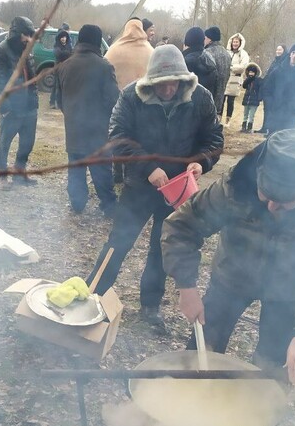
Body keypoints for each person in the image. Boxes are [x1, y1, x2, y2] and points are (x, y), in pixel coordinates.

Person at [161, 130, 295, 385]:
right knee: (202, 348)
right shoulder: (239, 184)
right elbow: (183, 225)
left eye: (284, 201)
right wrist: (186, 285)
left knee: (273, 368)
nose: (272, 207)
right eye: (266, 195)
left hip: (289, 287)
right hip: (233, 274)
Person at [86, 44, 224, 332]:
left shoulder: (201, 98)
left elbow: (213, 139)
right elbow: (118, 137)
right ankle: (93, 294)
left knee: (161, 248)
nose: (168, 89)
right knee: (119, 240)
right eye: (161, 84)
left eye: (174, 83)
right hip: (140, 184)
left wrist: (201, 162)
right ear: (150, 82)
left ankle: (150, 305)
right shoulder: (132, 96)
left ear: (183, 80)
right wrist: (148, 168)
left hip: (177, 188)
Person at [56, 25, 120, 216]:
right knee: (101, 170)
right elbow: (114, 100)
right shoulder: (104, 66)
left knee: (75, 168)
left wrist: (72, 115)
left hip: (73, 129)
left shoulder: (64, 66)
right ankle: (108, 206)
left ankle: (77, 204)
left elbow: (59, 101)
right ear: (96, 42)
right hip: (98, 132)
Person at [0, 16, 39, 191]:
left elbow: (32, 78)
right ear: (16, 34)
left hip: (29, 108)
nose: (28, 39)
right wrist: (5, 108)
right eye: (25, 35)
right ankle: (2, 178)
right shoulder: (0, 51)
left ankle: (19, 172)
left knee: (27, 142)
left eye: (30, 35)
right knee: (4, 144)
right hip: (11, 109)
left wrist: (34, 102)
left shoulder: (27, 51)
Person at [105, 18, 155, 185]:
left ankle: (117, 171)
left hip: (117, 102)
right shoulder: (150, 51)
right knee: (137, 138)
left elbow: (104, 72)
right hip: (144, 102)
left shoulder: (114, 50)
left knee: (119, 135)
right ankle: (133, 174)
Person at [260, 42, 295, 135]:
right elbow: (266, 89)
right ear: (290, 54)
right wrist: (270, 104)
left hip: (291, 116)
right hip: (275, 113)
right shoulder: (277, 71)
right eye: (293, 52)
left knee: (286, 144)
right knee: (272, 141)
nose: (294, 56)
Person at [254, 44, 287, 134]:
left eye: (280, 50)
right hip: (268, 90)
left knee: (272, 110)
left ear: (284, 51)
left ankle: (270, 129)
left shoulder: (284, 62)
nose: (278, 51)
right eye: (277, 49)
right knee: (266, 109)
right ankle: (264, 127)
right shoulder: (275, 61)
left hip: (275, 91)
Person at [203, 26, 231, 117]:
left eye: (205, 37)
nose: (204, 40)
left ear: (210, 39)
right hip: (221, 97)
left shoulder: (207, 52)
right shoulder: (227, 53)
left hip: (208, 97)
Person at [182, 26, 217, 96]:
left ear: (187, 40)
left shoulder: (186, 62)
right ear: (203, 41)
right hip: (207, 102)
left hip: (189, 104)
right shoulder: (210, 59)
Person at [224, 32, 250, 124]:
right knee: (221, 100)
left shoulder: (243, 54)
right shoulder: (226, 52)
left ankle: (228, 120)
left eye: (237, 42)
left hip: (235, 80)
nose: (235, 43)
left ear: (240, 43)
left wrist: (231, 67)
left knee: (230, 101)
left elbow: (243, 66)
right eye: (234, 42)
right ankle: (218, 118)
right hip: (225, 79)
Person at [49, 29, 72, 109]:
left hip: (66, 68)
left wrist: (64, 53)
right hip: (58, 68)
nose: (63, 38)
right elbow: (57, 54)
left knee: (64, 86)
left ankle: (61, 103)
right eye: (62, 37)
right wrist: (66, 53)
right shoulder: (56, 45)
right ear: (59, 38)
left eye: (64, 37)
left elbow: (71, 54)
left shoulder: (69, 45)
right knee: (56, 85)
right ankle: (52, 102)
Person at [239, 62, 262, 133]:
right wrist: (248, 79)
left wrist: (259, 98)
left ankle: (249, 127)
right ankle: (243, 126)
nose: (251, 74)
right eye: (250, 72)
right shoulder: (247, 80)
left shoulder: (258, 80)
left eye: (252, 72)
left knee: (251, 115)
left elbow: (260, 89)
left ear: (255, 73)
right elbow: (244, 86)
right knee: (245, 114)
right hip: (247, 100)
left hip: (254, 100)